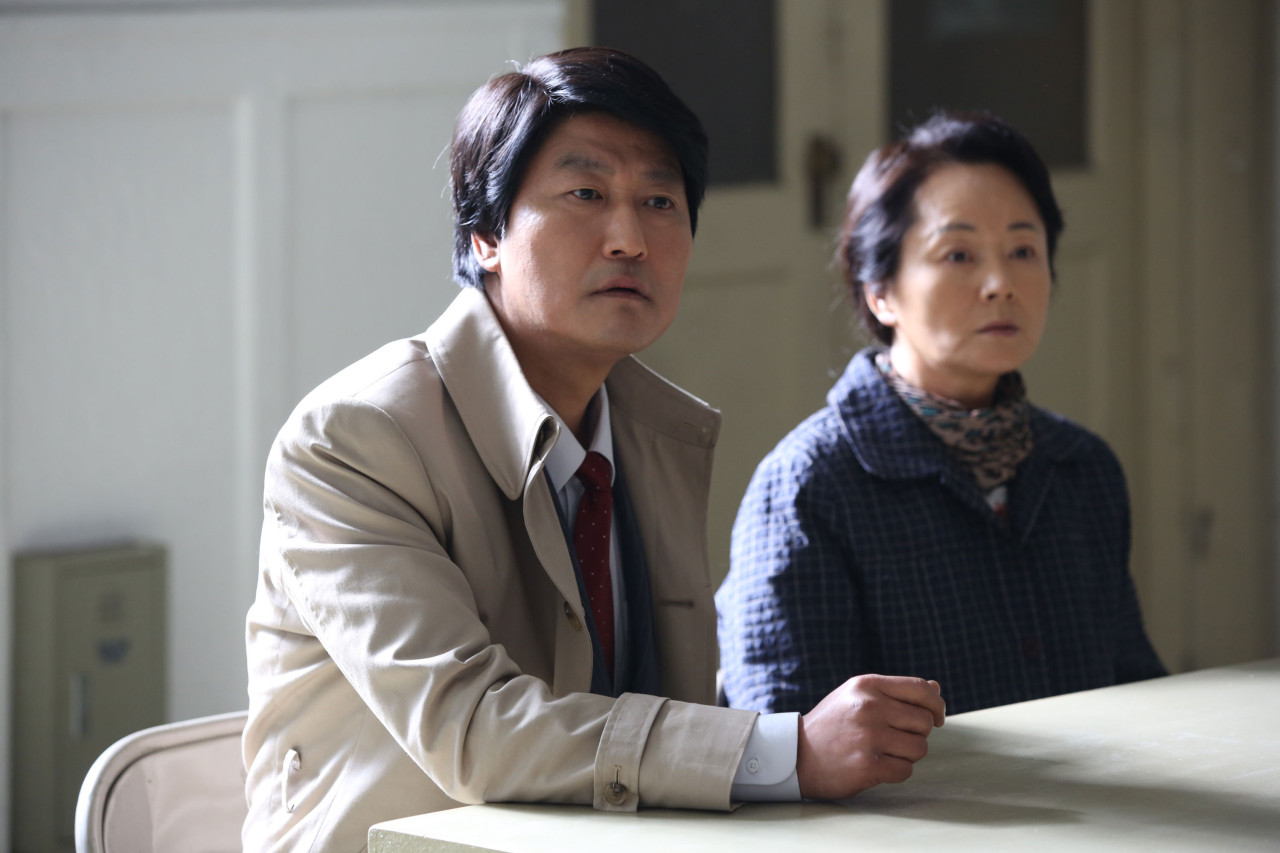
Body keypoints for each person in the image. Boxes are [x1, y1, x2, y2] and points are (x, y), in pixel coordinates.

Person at [242, 47, 945, 852]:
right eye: (586, 194)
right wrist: (786, 750)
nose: (631, 239)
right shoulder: (355, 439)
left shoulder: (655, 432)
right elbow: (474, 726)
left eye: (659, 201)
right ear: (485, 234)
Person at [717, 111, 1166, 719]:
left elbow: (1137, 696)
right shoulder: (810, 485)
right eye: (958, 254)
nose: (1000, 283)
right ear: (881, 291)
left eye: (1023, 250)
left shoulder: (1082, 467)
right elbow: (781, 736)